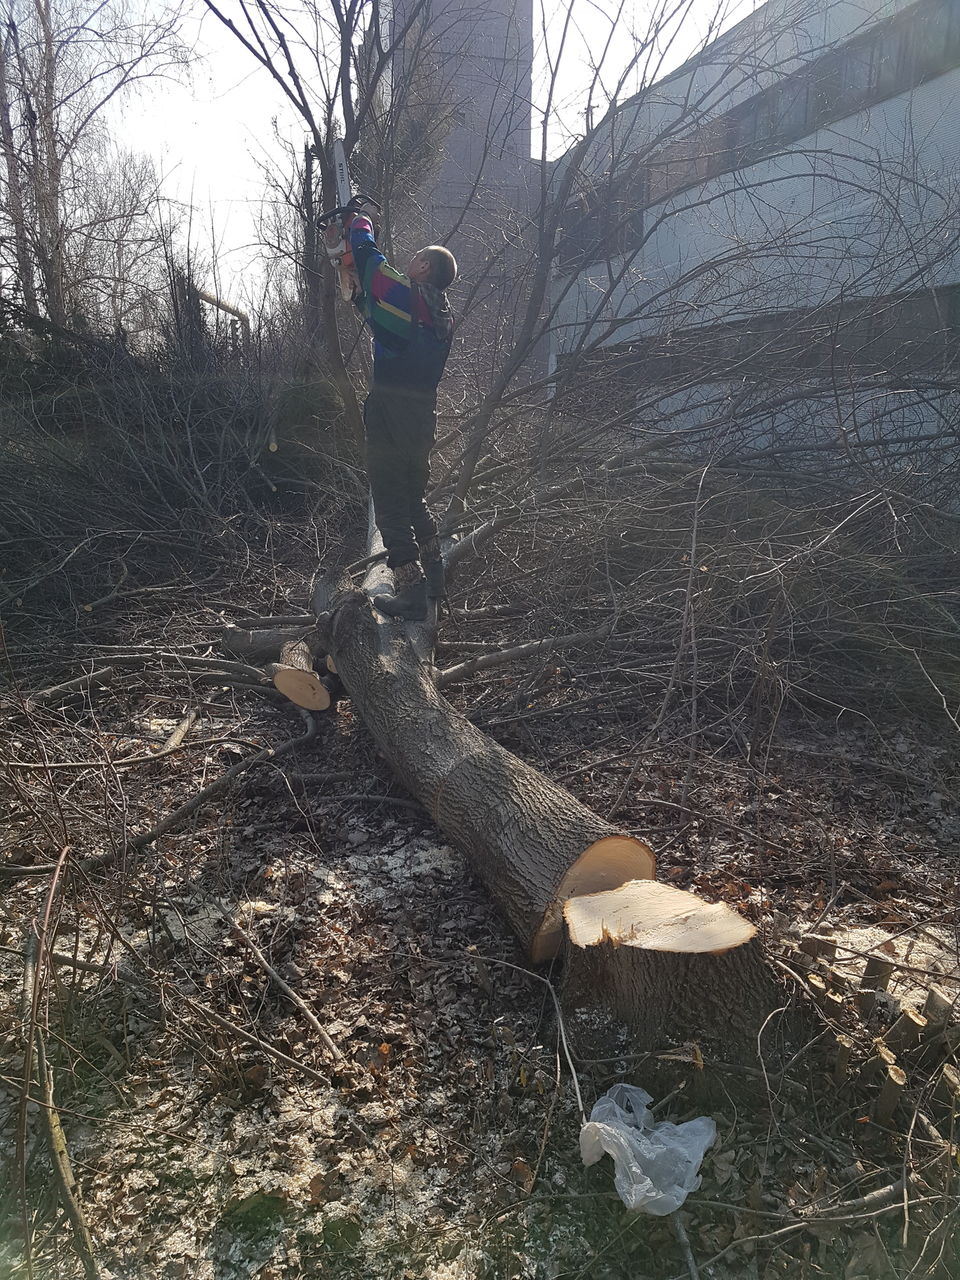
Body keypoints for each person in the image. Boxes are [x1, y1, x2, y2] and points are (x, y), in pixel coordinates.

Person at [345, 208, 457, 621]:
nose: (410, 261)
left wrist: (360, 222)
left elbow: (369, 259)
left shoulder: (408, 295)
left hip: (390, 411)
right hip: (423, 415)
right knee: (413, 496)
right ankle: (435, 575)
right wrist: (360, 297)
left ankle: (409, 590)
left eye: (417, 258)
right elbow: (387, 326)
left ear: (425, 266)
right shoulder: (440, 313)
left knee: (389, 498)